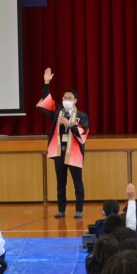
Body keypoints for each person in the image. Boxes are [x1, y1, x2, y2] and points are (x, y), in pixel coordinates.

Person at [36, 67, 89, 218]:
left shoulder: (81, 116)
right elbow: (46, 102)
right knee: (61, 183)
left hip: (74, 153)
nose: (66, 100)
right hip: (60, 151)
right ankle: (61, 210)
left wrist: (69, 124)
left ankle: (79, 210)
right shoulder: (58, 111)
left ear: (75, 100)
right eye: (65, 98)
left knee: (77, 183)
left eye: (70, 98)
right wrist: (46, 83)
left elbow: (83, 133)